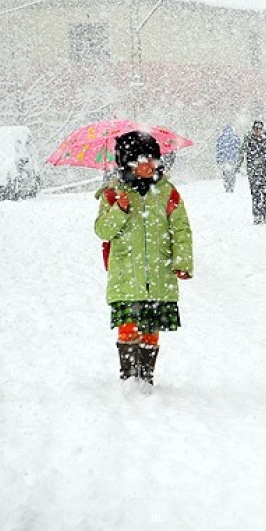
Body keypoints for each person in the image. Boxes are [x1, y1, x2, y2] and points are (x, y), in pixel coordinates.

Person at [95, 131, 194, 385]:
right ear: (128, 163)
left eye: (153, 160)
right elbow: (102, 230)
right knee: (128, 325)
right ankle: (129, 376)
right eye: (142, 160)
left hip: (159, 274)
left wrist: (182, 261)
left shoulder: (166, 192)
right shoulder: (113, 194)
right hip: (127, 275)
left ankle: (146, 375)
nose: (150, 165)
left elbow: (181, 228)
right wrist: (120, 209)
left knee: (151, 327)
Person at [238, 120, 266, 224]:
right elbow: (241, 151)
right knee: (255, 192)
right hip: (253, 170)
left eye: (259, 129)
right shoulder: (248, 138)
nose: (257, 131)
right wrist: (238, 165)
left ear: (262, 129)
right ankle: (257, 215)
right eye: (256, 129)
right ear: (252, 129)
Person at [215, 124, 241, 193]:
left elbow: (218, 149)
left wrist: (218, 159)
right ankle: (231, 186)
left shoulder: (221, 138)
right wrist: (238, 158)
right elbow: (238, 148)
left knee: (225, 174)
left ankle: (227, 186)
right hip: (232, 159)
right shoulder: (235, 138)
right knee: (232, 173)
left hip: (224, 160)